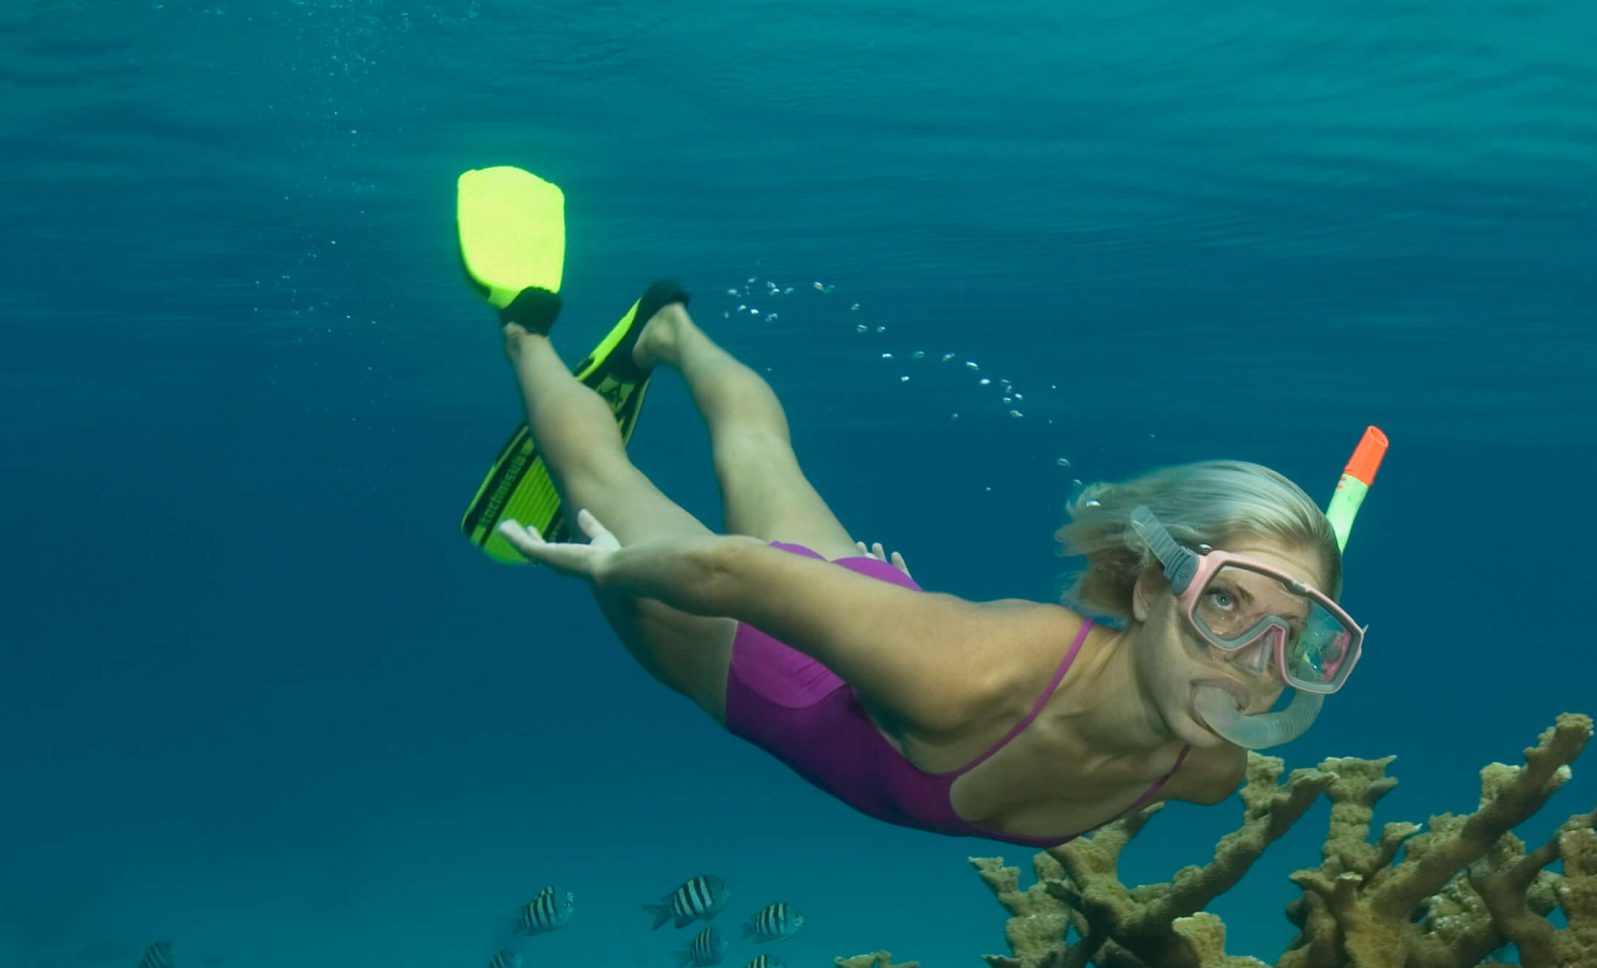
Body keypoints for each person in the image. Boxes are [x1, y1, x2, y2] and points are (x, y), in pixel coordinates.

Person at [454, 167, 1378, 850]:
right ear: (1147, 588)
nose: (1255, 668)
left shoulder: (1209, 771)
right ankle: (525, 323)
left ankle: (672, 330)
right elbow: (731, 571)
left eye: (1297, 638)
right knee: (600, 482)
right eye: (1227, 602)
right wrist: (614, 566)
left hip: (873, 623)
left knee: (765, 458)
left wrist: (878, 612)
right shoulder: (965, 671)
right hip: (758, 653)